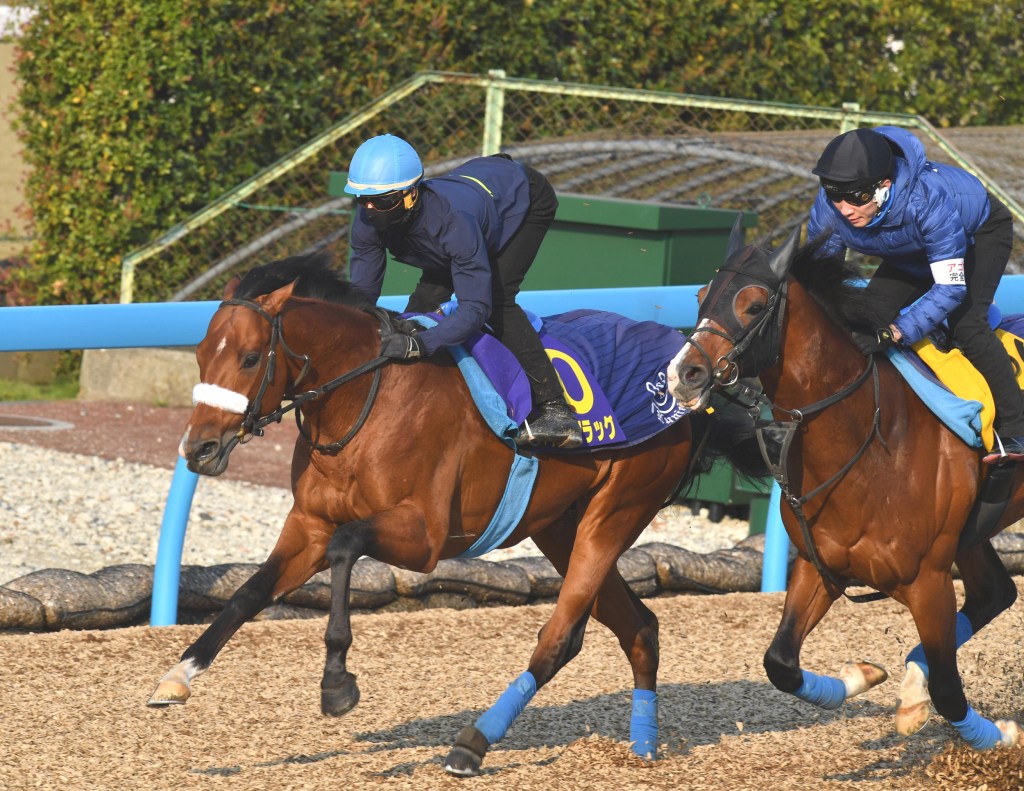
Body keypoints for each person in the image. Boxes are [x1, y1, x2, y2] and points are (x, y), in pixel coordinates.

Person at [343, 133, 583, 449]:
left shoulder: (453, 223)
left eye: (383, 200)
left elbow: (474, 307)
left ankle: (557, 410)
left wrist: (421, 345)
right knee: (420, 309)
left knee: (497, 299)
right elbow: (361, 295)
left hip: (521, 199)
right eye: (363, 200)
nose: (372, 210)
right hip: (466, 207)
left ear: (412, 194)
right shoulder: (368, 219)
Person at [808, 125, 1024, 463]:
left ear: (884, 186)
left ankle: (1017, 428)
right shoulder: (831, 207)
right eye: (834, 194)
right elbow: (819, 280)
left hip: (976, 235)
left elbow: (950, 288)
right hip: (911, 250)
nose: (844, 209)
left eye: (856, 197)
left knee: (967, 324)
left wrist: (896, 331)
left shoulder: (928, 201)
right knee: (861, 322)